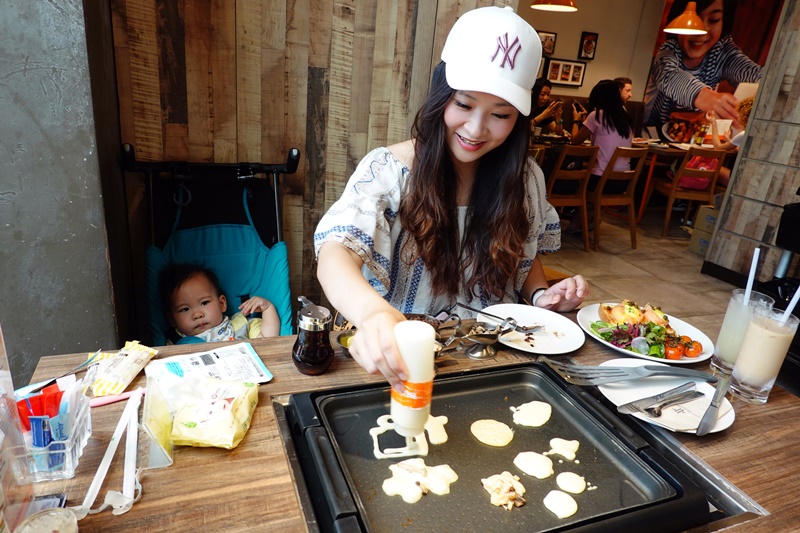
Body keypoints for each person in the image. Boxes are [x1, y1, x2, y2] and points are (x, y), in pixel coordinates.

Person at [314, 6, 588, 390]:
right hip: (402, 362)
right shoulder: (390, 170)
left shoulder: (526, 179)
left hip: (496, 357)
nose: (476, 129)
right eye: (463, 104)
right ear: (441, 93)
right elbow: (335, 254)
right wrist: (375, 314)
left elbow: (525, 256)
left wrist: (541, 296)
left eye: (501, 114)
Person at [643, 0, 761, 132]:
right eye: (695, 19)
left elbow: (755, 74)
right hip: (650, 135)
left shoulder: (721, 52)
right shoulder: (669, 50)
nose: (702, 31)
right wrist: (705, 97)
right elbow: (668, 76)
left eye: (714, 20)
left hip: (690, 139)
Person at [160, 263, 280, 343]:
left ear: (221, 304)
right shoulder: (174, 342)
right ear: (172, 319)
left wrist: (268, 309)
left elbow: (268, 342)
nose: (197, 314)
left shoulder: (240, 325)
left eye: (204, 303)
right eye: (185, 309)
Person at [708, 96, 753, 186]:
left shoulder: (744, 134)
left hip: (738, 179)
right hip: (750, 177)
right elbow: (742, 153)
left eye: (740, 113)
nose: (737, 115)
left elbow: (717, 147)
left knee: (710, 168)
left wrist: (713, 123)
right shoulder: (754, 133)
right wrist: (730, 140)